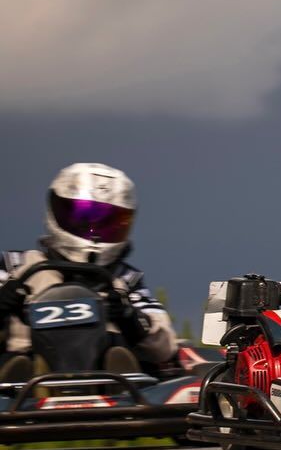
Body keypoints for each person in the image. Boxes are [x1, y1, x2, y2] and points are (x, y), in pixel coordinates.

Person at [0, 163, 178, 381]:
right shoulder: (16, 267)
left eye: (108, 223)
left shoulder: (125, 280)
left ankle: (118, 373)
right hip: (23, 381)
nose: (93, 232)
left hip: (107, 380)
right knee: (16, 358)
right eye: (83, 219)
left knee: (125, 351)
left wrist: (130, 318)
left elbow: (165, 348)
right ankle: (22, 374)